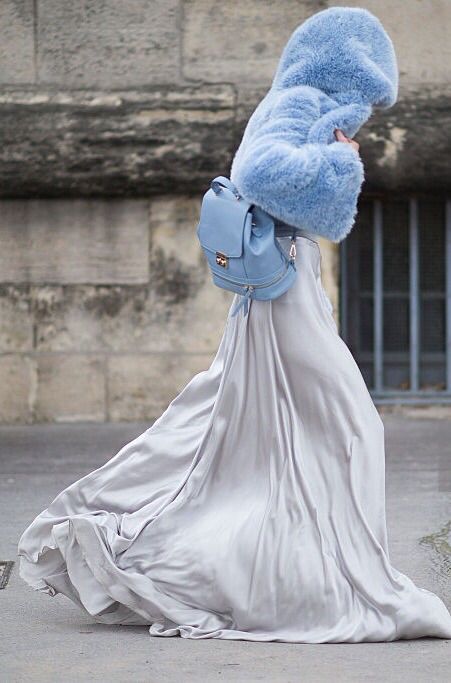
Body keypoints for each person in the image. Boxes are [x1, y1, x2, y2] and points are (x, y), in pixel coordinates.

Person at [17, 7, 451, 642]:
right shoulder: (300, 101)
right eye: (367, 93)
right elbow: (260, 175)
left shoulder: (296, 99)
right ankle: (302, 573)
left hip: (287, 288)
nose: (366, 110)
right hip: (282, 296)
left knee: (249, 421)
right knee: (345, 423)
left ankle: (302, 561)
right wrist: (341, 165)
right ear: (350, 71)